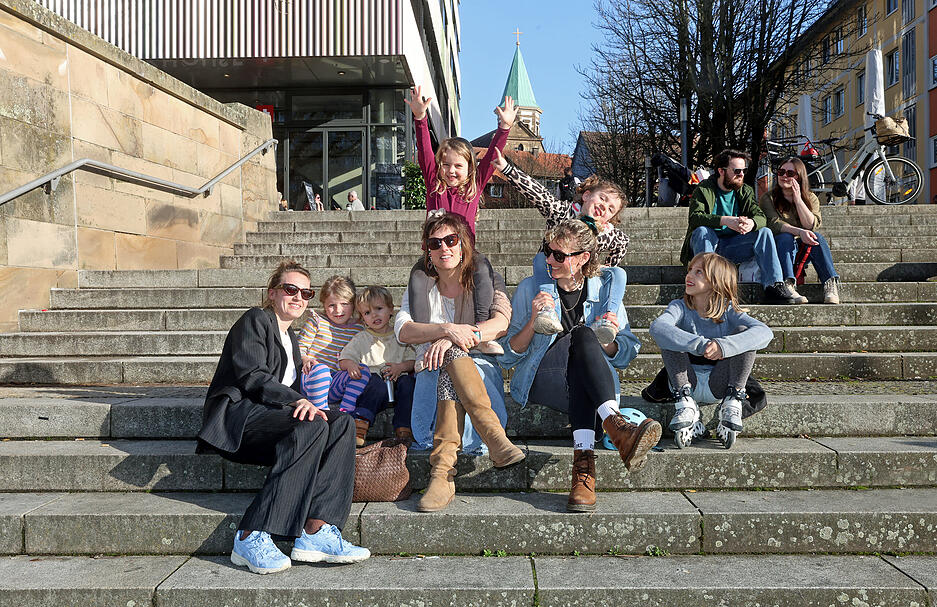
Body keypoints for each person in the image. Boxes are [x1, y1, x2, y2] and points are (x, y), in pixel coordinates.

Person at [197, 260, 370, 575]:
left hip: (272, 419)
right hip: (240, 419)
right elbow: (253, 376)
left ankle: (318, 530)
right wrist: (299, 400)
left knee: (341, 422)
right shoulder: (255, 320)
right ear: (272, 292)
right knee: (313, 421)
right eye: (291, 289)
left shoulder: (291, 339)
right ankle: (251, 534)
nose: (299, 297)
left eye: (306, 292)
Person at [499, 218, 661, 513]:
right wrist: (533, 323)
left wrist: (609, 342)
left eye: (560, 255)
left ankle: (583, 469)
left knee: (586, 338)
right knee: (582, 335)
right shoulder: (531, 289)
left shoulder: (605, 292)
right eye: (549, 252)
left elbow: (625, 353)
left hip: (588, 384)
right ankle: (615, 425)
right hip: (544, 378)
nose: (550, 259)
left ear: (583, 258)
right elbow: (508, 355)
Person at [395, 211, 524, 512]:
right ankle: (493, 435)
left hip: (478, 377)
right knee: (446, 360)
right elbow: (403, 330)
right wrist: (446, 329)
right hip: (432, 412)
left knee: (453, 356)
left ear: (464, 242)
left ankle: (442, 473)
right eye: (435, 243)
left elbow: (502, 322)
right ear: (427, 249)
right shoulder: (418, 285)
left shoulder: (487, 280)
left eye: (451, 240)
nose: (444, 249)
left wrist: (453, 340)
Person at [403, 84, 517, 356]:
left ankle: (480, 332)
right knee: (418, 277)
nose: (451, 170)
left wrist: (504, 129)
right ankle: (424, 339)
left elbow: (491, 158)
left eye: (458, 166)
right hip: (435, 256)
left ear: (470, 169)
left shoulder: (474, 188)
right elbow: (425, 152)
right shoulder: (434, 184)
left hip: (466, 257)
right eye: (446, 165)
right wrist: (420, 119)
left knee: (483, 268)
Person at [493, 148, 630, 346]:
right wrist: (507, 169)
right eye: (602, 199)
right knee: (541, 259)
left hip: (581, 280)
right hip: (550, 271)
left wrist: (605, 267)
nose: (604, 207)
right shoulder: (562, 212)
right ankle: (547, 310)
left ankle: (606, 317)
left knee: (618, 273)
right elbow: (538, 194)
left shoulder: (608, 234)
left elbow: (622, 244)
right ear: (586, 196)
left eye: (611, 209)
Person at [649, 252, 773, 449]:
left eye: (699, 272)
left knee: (744, 334)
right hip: (687, 381)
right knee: (670, 335)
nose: (689, 275)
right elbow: (657, 328)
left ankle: (733, 401)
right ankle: (685, 404)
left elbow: (765, 333)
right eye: (690, 270)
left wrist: (724, 346)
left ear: (716, 281)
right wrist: (700, 345)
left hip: (721, 383)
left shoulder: (730, 310)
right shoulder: (678, 307)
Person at [681, 149, 803, 305]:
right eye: (737, 171)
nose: (741, 175)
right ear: (721, 171)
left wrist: (752, 223)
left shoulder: (745, 190)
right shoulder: (704, 189)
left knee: (764, 232)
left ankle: (774, 285)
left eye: (744, 170)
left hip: (733, 246)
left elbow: (760, 217)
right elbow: (695, 218)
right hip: (707, 246)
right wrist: (725, 220)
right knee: (703, 231)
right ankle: (708, 288)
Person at [339, 286, 416, 446]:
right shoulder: (361, 338)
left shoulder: (400, 337)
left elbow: (413, 361)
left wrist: (400, 367)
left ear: (391, 310)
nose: (374, 315)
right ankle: (361, 423)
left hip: (396, 384)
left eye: (379, 309)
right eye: (367, 313)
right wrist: (351, 365)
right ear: (362, 318)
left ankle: (404, 427)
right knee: (373, 380)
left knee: (408, 383)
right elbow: (344, 359)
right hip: (373, 389)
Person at [760, 157, 841, 304]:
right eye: (781, 172)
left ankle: (830, 283)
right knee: (785, 236)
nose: (784, 176)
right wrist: (799, 232)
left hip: (803, 246)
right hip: (781, 246)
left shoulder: (811, 198)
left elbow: (811, 225)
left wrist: (798, 200)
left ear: (799, 177)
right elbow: (773, 224)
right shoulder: (768, 198)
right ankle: (788, 284)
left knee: (816, 237)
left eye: (790, 173)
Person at [297, 276, 369, 413]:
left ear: (353, 304)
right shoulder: (316, 321)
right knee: (322, 370)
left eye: (344, 304)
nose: (338, 310)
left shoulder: (359, 328)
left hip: (336, 382)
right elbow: (299, 348)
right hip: (312, 380)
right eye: (332, 305)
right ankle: (320, 411)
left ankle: (346, 409)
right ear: (323, 304)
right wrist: (306, 359)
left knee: (363, 370)